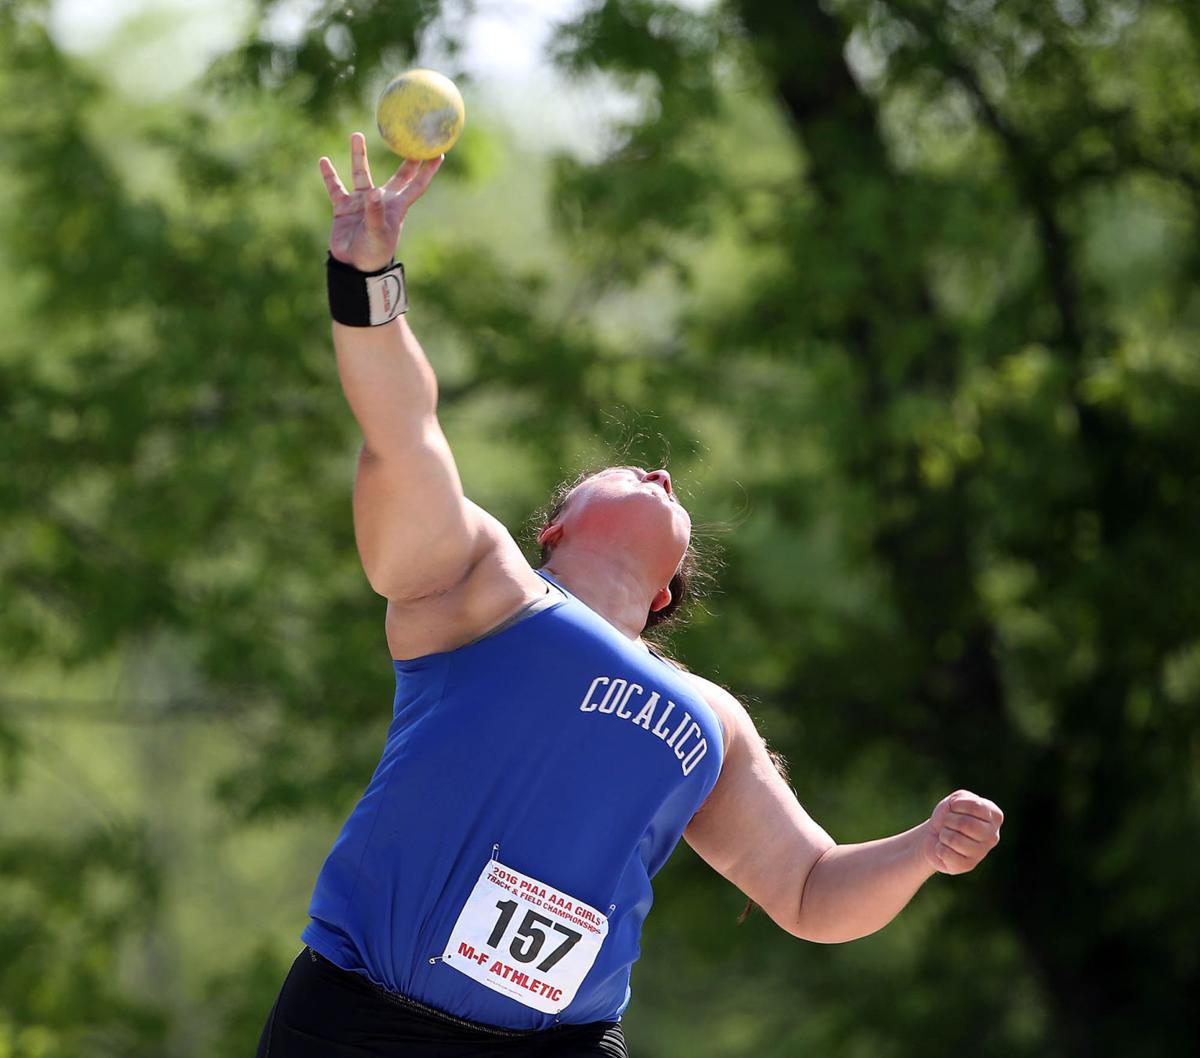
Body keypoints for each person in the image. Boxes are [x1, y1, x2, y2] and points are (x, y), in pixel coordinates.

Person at [254, 133, 1004, 1058]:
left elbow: (811, 892)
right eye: (624, 470)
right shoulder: (480, 586)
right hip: (362, 1023)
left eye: (671, 482)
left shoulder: (709, 717)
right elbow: (402, 433)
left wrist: (922, 849)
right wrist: (366, 281)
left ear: (666, 597)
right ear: (554, 530)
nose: (659, 468)